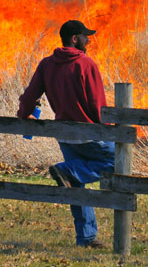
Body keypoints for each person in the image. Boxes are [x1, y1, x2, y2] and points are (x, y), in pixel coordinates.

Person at [17, 20, 113, 249]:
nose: (88, 40)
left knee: (74, 185)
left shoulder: (47, 64)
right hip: (88, 134)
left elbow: (30, 95)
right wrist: (107, 128)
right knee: (117, 162)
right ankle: (67, 171)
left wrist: (24, 114)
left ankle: (86, 238)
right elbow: (97, 103)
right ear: (74, 38)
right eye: (84, 36)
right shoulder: (86, 64)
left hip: (64, 135)